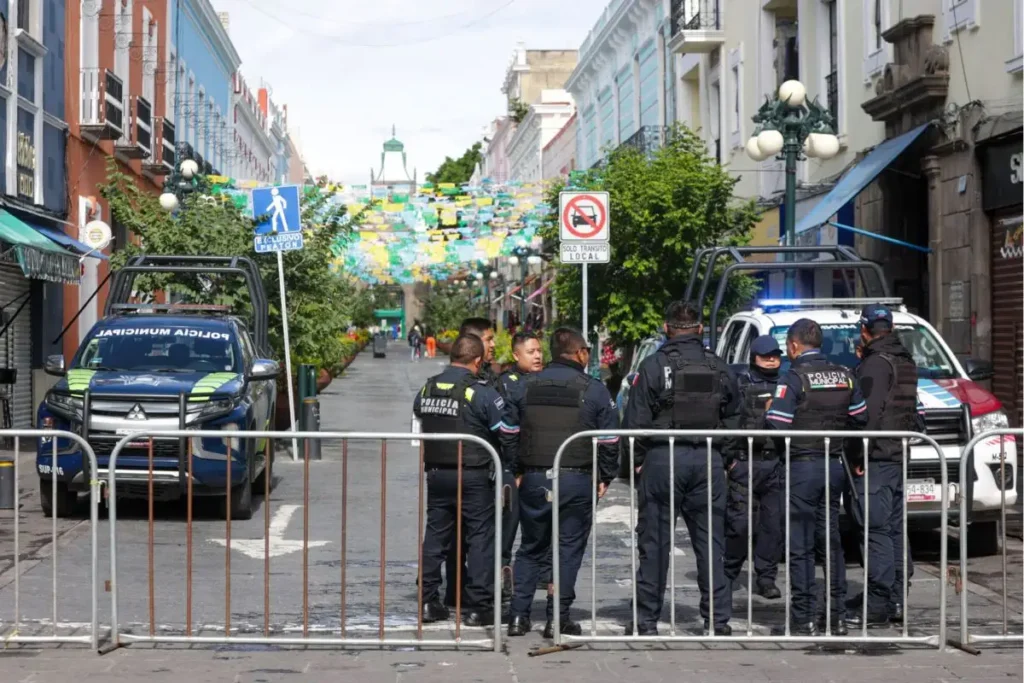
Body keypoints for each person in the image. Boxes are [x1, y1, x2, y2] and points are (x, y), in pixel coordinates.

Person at [625, 301, 738, 636]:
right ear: (700, 329)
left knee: (655, 543)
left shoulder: (653, 366)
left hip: (663, 458)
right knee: (711, 543)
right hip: (707, 459)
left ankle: (646, 621)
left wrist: (639, 462)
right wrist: (726, 457)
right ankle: (717, 621)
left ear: (666, 327)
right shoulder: (719, 366)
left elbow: (635, 422)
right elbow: (734, 416)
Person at [505, 328, 619, 638]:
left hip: (534, 477)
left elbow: (510, 433)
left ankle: (518, 617)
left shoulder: (525, 386)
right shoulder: (594, 389)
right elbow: (610, 439)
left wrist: (516, 469)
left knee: (530, 547)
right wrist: (606, 476)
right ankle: (558, 617)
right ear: (581, 353)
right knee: (568, 550)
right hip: (576, 479)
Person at [764, 318, 868, 636]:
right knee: (831, 541)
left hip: (802, 467)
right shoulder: (845, 375)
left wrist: (770, 408)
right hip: (834, 465)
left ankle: (803, 618)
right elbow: (860, 418)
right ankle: (835, 617)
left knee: (801, 544)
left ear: (794, 346)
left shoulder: (793, 378)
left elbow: (777, 424)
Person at [413, 334, 519, 626]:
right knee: (480, 539)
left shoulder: (428, 387)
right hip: (473, 475)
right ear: (478, 360)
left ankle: (426, 602)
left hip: (436, 474)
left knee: (435, 538)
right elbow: (508, 431)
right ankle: (479, 606)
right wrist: (509, 463)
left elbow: (418, 412)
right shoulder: (480, 392)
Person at [845, 305, 923, 628]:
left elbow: (868, 416)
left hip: (877, 457)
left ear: (865, 331)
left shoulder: (875, 364)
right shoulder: (905, 361)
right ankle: (894, 598)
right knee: (892, 529)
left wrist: (857, 456)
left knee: (876, 530)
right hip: (896, 455)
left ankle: (878, 604)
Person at [443, 317, 500, 609]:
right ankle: (473, 595)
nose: (494, 345)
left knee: (463, 534)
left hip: (459, 469)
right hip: (474, 469)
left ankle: (463, 589)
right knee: (471, 536)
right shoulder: (474, 381)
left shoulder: (490, 375)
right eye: (489, 340)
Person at [722, 335, 784, 600]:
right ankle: (728, 574)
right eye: (765, 356)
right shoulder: (740, 383)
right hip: (745, 461)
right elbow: (726, 419)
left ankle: (766, 577)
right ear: (754, 358)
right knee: (740, 524)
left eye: (775, 355)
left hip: (775, 462)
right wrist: (729, 459)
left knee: (772, 525)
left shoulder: (787, 384)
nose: (771, 360)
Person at [498, 332, 549, 603]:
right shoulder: (506, 384)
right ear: (516, 355)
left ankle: (540, 575)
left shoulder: (548, 380)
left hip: (540, 468)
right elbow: (506, 432)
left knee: (541, 528)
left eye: (539, 350)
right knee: (509, 526)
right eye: (531, 352)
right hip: (514, 469)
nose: (538, 356)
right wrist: (513, 468)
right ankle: (504, 579)